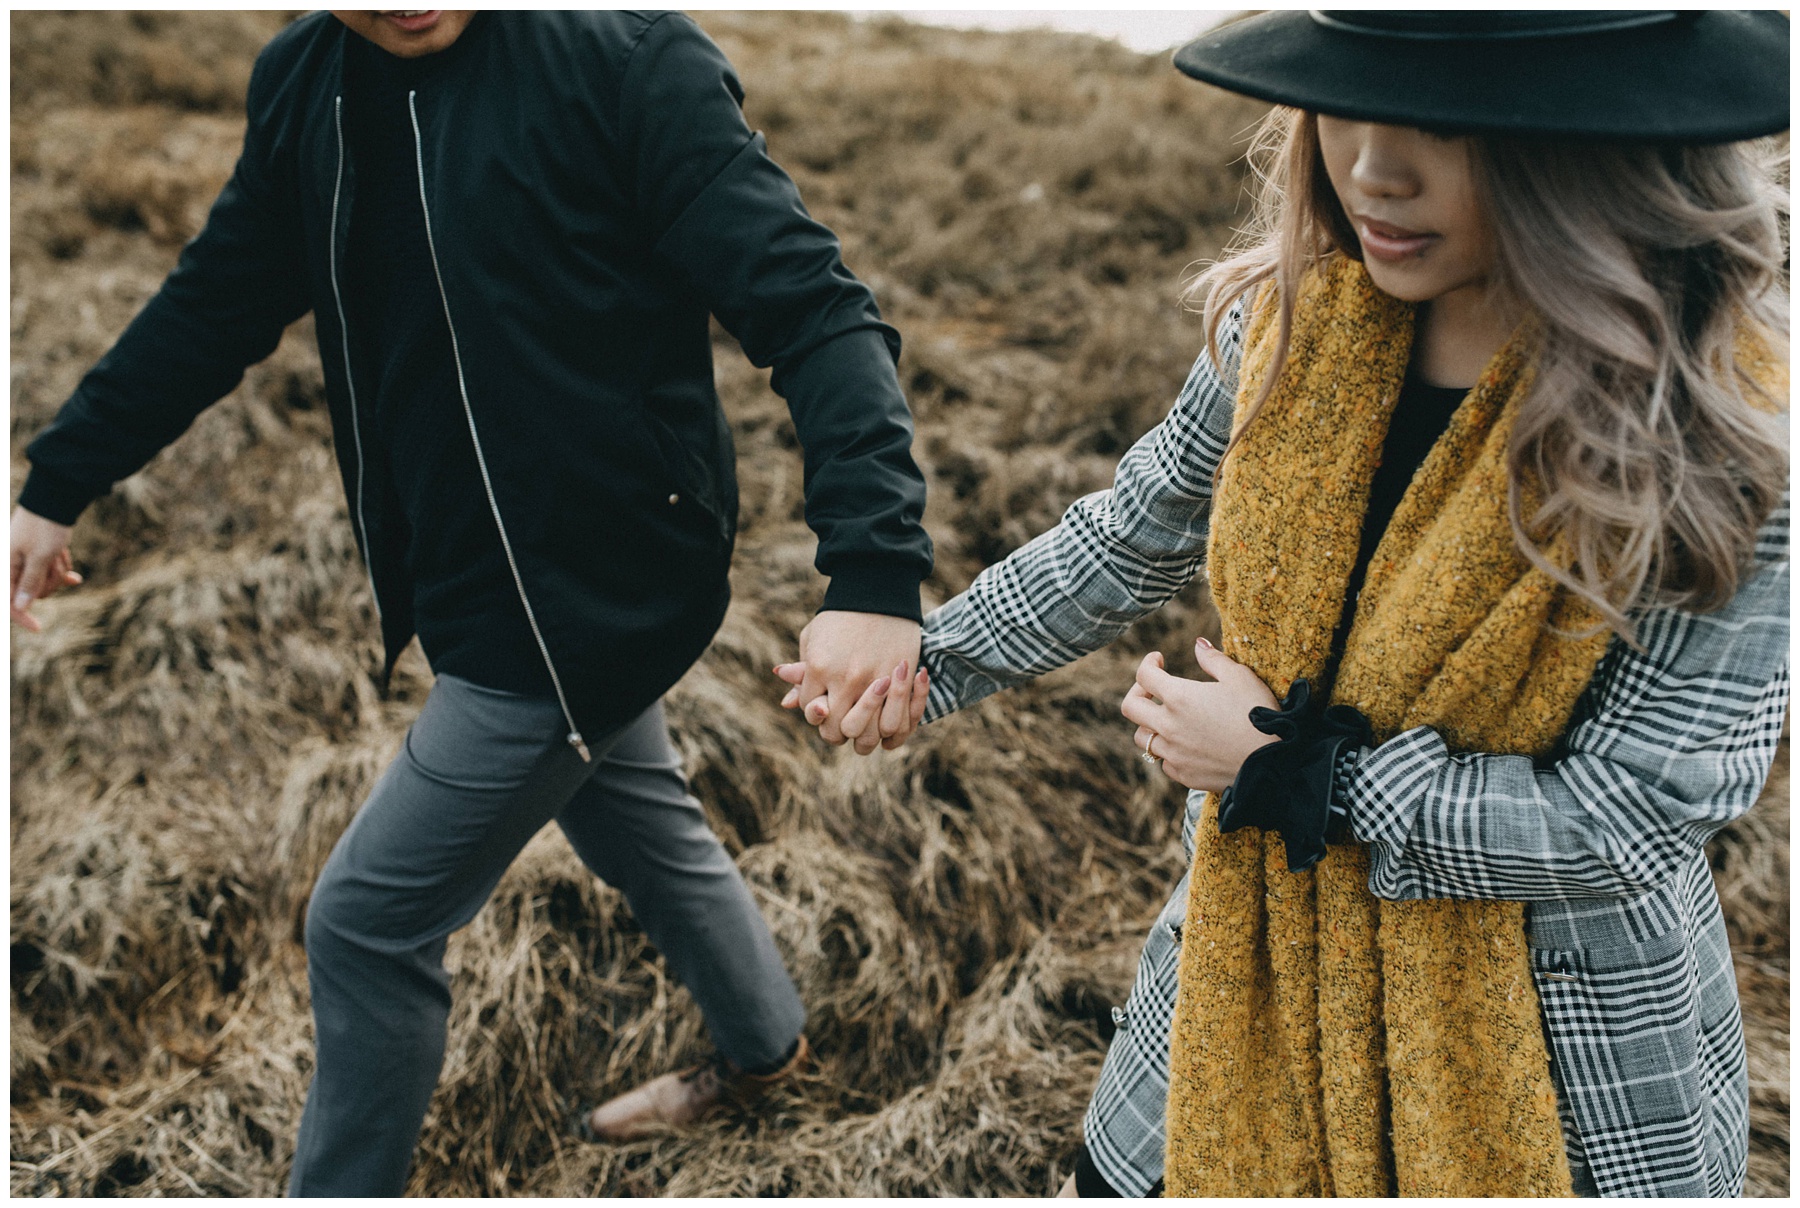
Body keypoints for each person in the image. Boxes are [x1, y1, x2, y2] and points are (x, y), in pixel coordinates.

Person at [796, 9, 1789, 1198]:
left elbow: (1628, 822)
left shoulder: (1715, 439)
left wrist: (1295, 774)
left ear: (1595, 139)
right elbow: (1137, 532)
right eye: (1349, 102)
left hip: (1559, 1058)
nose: (1374, 166)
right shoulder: (1290, 325)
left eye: (1440, 118)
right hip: (1250, 964)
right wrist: (927, 658)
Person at [11, 10, 933, 1196]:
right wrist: (61, 476)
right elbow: (216, 299)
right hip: (464, 571)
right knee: (639, 819)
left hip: (593, 591)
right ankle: (766, 1049)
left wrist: (872, 575)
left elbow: (817, 309)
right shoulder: (303, 82)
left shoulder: (625, 60)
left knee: (364, 923)